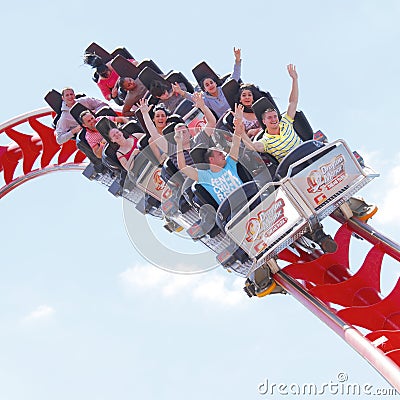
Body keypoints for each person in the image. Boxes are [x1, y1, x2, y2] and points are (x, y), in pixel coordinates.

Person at [174, 104, 244, 205]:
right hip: (233, 212)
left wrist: (238, 122)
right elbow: (183, 167)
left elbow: (236, 142)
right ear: (211, 159)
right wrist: (179, 143)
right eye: (219, 154)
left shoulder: (230, 163)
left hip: (248, 199)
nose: (224, 155)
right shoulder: (205, 176)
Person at [137, 92, 216, 169]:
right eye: (178, 132)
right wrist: (145, 113)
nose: (181, 134)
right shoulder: (172, 149)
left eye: (183, 131)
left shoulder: (198, 139)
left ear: (189, 133)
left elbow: (212, 122)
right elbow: (154, 135)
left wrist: (203, 106)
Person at [240, 64, 301, 161]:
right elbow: (252, 147)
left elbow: (293, 101)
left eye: (275, 116)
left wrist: (294, 79)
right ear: (264, 121)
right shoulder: (266, 141)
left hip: (307, 154)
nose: (273, 119)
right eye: (269, 118)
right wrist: (242, 132)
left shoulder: (285, 122)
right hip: (295, 167)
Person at [172, 47, 242, 119]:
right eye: (207, 85)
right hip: (228, 121)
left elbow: (235, 75)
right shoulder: (207, 100)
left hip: (240, 114)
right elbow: (192, 97)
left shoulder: (225, 89)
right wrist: (180, 91)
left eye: (211, 83)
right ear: (205, 89)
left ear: (215, 83)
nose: (210, 85)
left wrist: (237, 59)